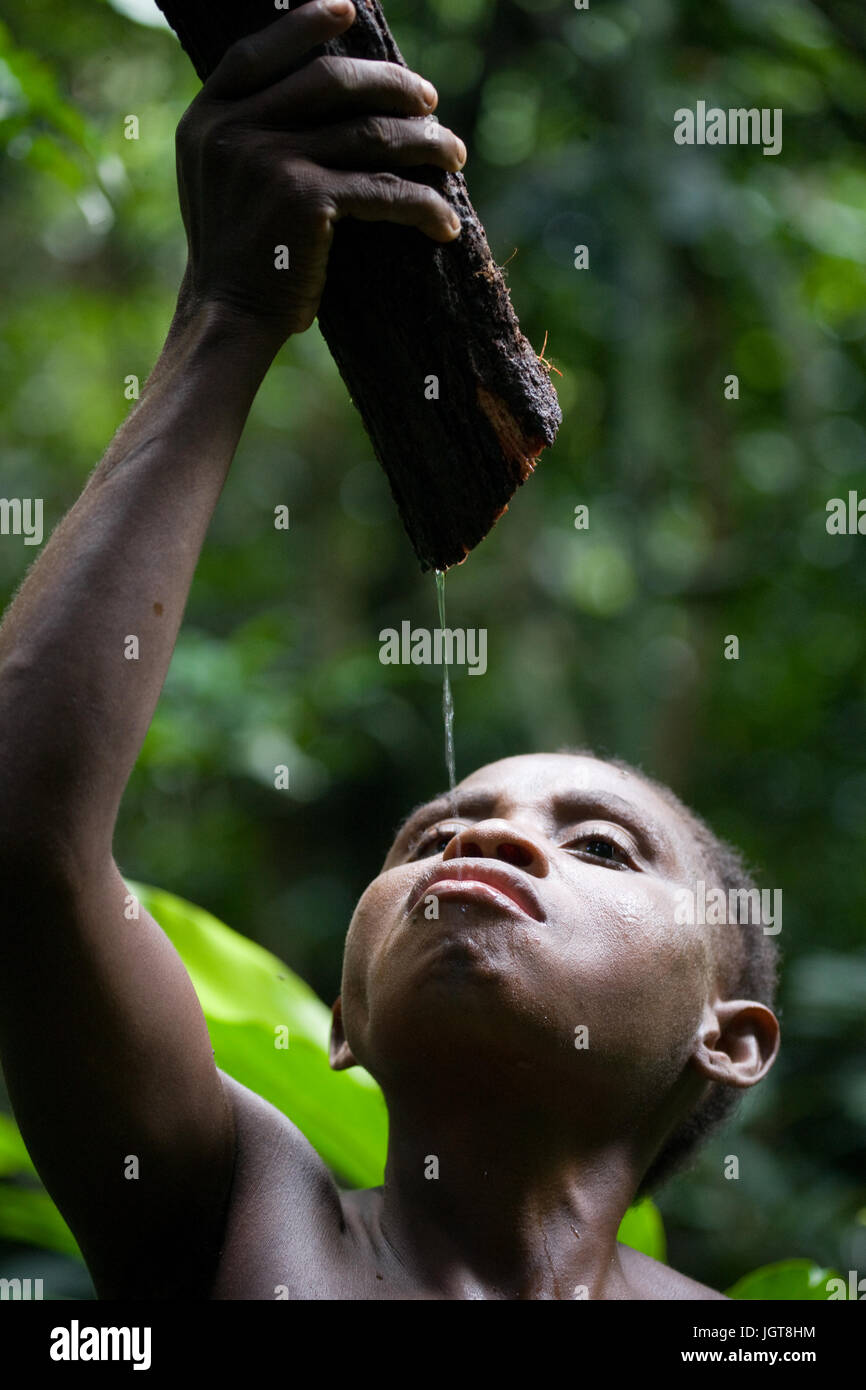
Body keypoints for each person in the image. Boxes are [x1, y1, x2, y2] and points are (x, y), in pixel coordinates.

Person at [0, 0, 779, 1300]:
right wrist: (230, 311)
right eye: (426, 838)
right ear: (344, 1023)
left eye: (597, 845)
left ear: (728, 1037)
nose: (487, 838)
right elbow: (25, 835)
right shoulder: (231, 1210)